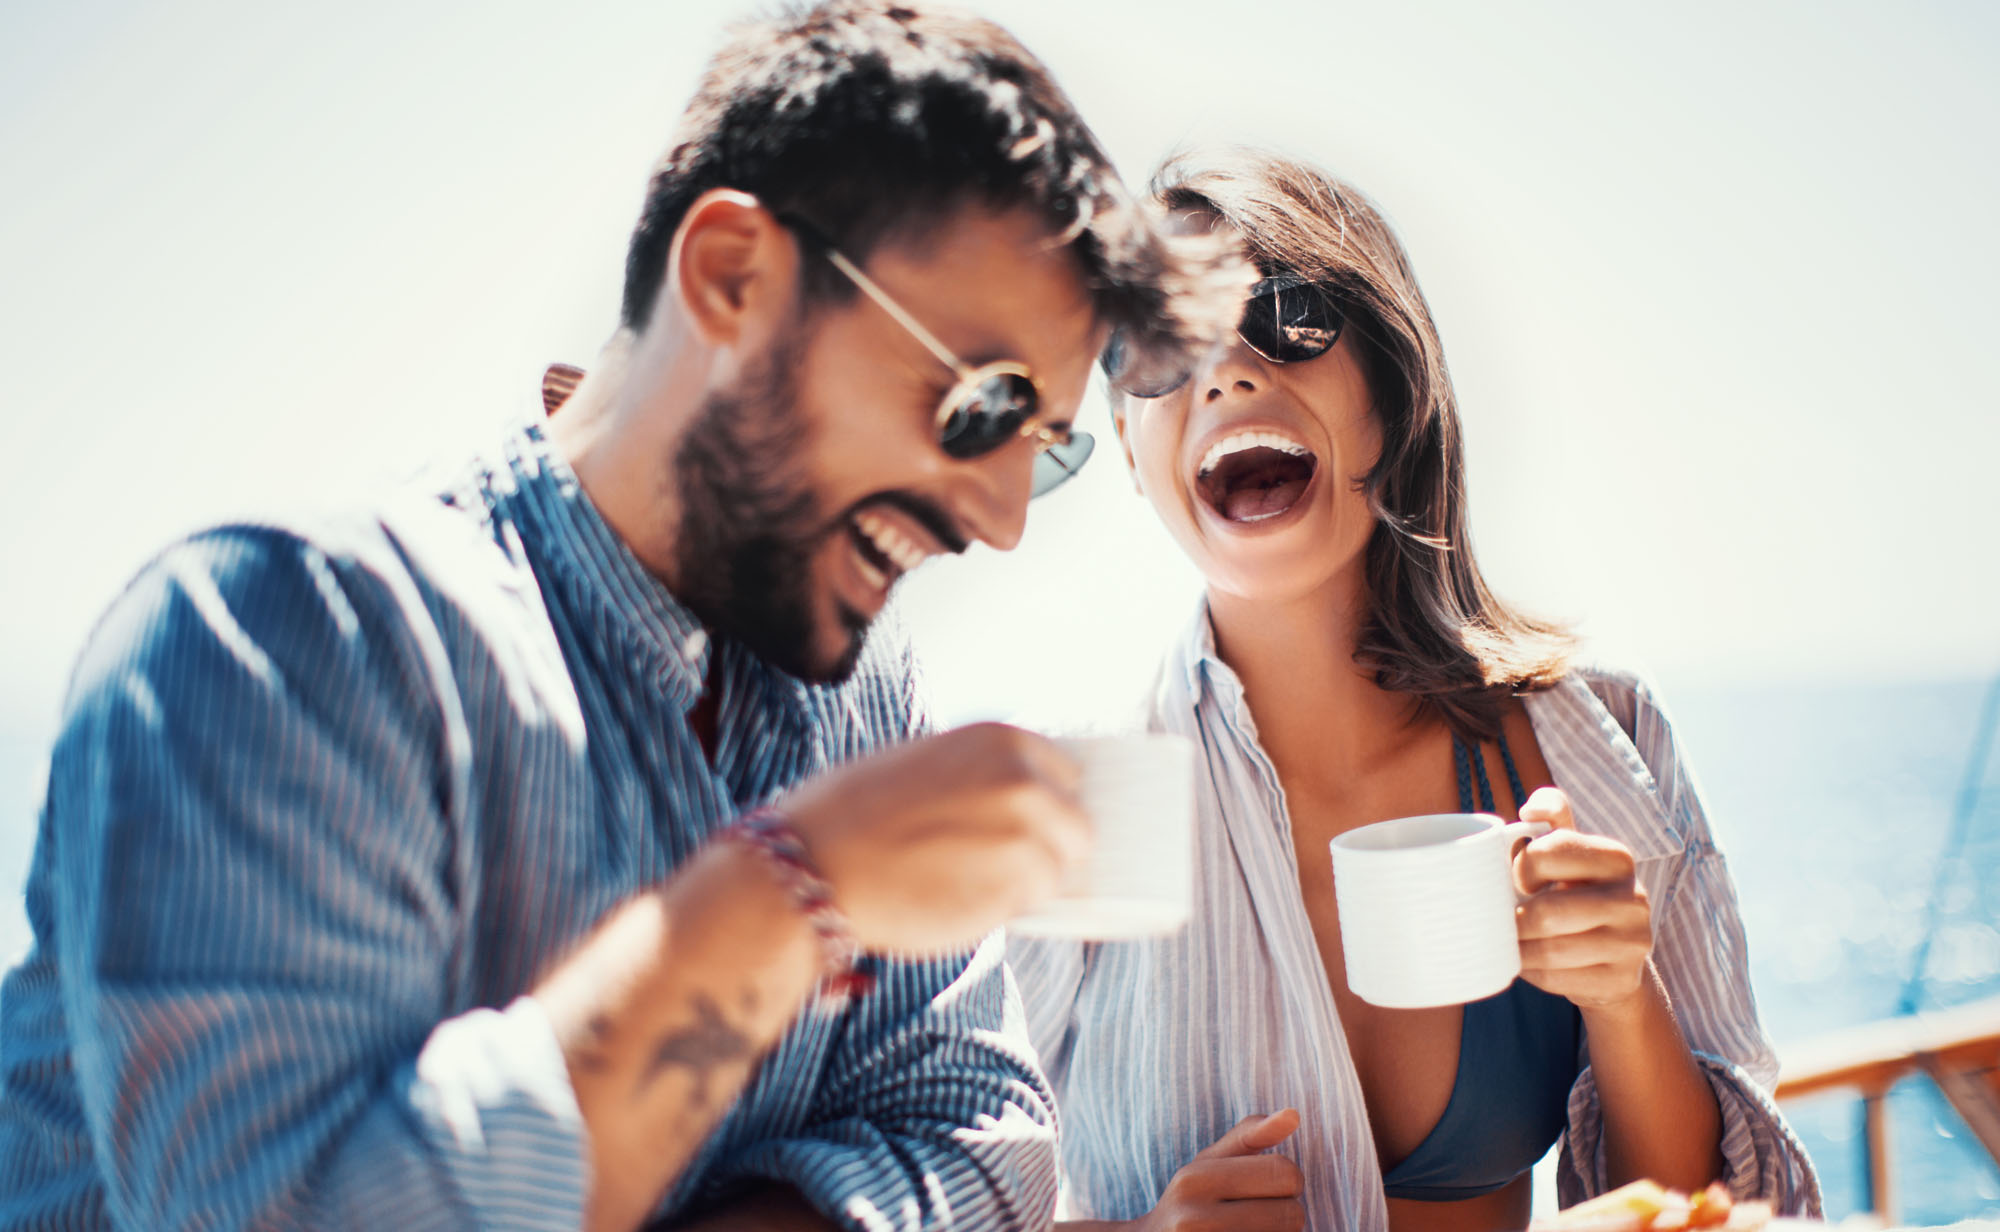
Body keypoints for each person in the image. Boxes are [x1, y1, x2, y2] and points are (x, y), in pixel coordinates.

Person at [0, 5, 1244, 1229]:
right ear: (729, 275)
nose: (1002, 518)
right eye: (985, 404)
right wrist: (786, 892)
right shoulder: (285, 634)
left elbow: (986, 1144)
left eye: (1044, 447)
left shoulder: (861, 695)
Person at [1009, 150, 1822, 1232]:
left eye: (1285, 316)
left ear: (1391, 392)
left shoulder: (1597, 741)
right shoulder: (1067, 803)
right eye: (1157, 345)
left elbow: (1695, 1210)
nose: (1225, 372)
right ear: (1125, 438)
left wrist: (1621, 994)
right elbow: (932, 1196)